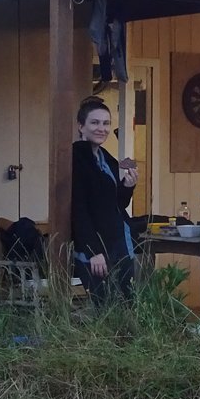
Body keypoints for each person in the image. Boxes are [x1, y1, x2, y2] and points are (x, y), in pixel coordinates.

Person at [71, 97, 139, 299]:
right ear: (81, 126)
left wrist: (128, 187)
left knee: (128, 301)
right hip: (95, 248)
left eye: (106, 123)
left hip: (118, 242)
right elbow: (78, 208)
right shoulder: (76, 157)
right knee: (104, 305)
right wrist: (93, 251)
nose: (101, 128)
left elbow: (116, 205)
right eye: (95, 122)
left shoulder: (106, 158)